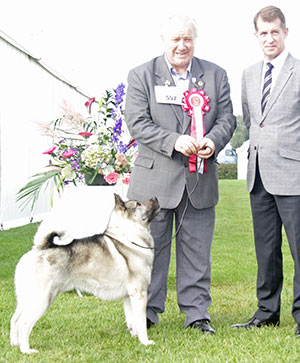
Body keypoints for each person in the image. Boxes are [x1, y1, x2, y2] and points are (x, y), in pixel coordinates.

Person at [125, 15, 236, 334]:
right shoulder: (142, 75)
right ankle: (146, 312)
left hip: (199, 180)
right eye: (175, 39)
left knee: (198, 252)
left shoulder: (215, 75)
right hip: (153, 183)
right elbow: (137, 122)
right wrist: (175, 141)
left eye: (187, 38)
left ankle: (197, 314)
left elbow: (227, 118)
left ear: (195, 40)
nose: (181, 45)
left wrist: (213, 141)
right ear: (163, 40)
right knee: (149, 253)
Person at [232, 6, 300, 337]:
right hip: (258, 174)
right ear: (256, 35)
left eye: (275, 31)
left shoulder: (299, 71)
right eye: (263, 32)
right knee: (266, 249)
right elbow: (250, 119)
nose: (269, 38)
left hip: (294, 175)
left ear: (286, 32)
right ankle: (266, 311)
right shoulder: (247, 74)